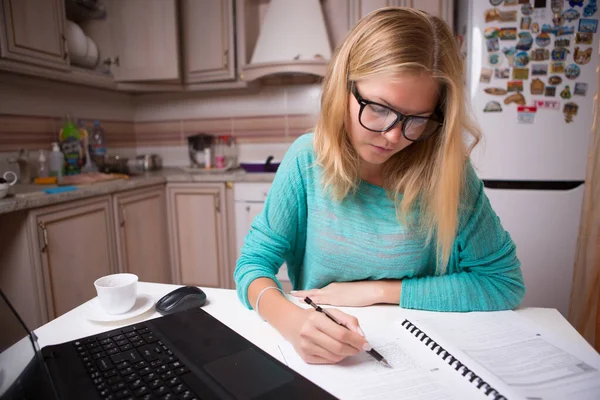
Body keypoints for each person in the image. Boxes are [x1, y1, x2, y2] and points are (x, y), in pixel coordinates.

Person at [234, 7, 525, 365]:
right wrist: (291, 321)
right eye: (378, 108)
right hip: (327, 359)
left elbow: (502, 283)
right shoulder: (305, 160)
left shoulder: (448, 173)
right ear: (344, 87)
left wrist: (374, 292)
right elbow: (253, 266)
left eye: (415, 119)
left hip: (421, 358)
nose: (392, 136)